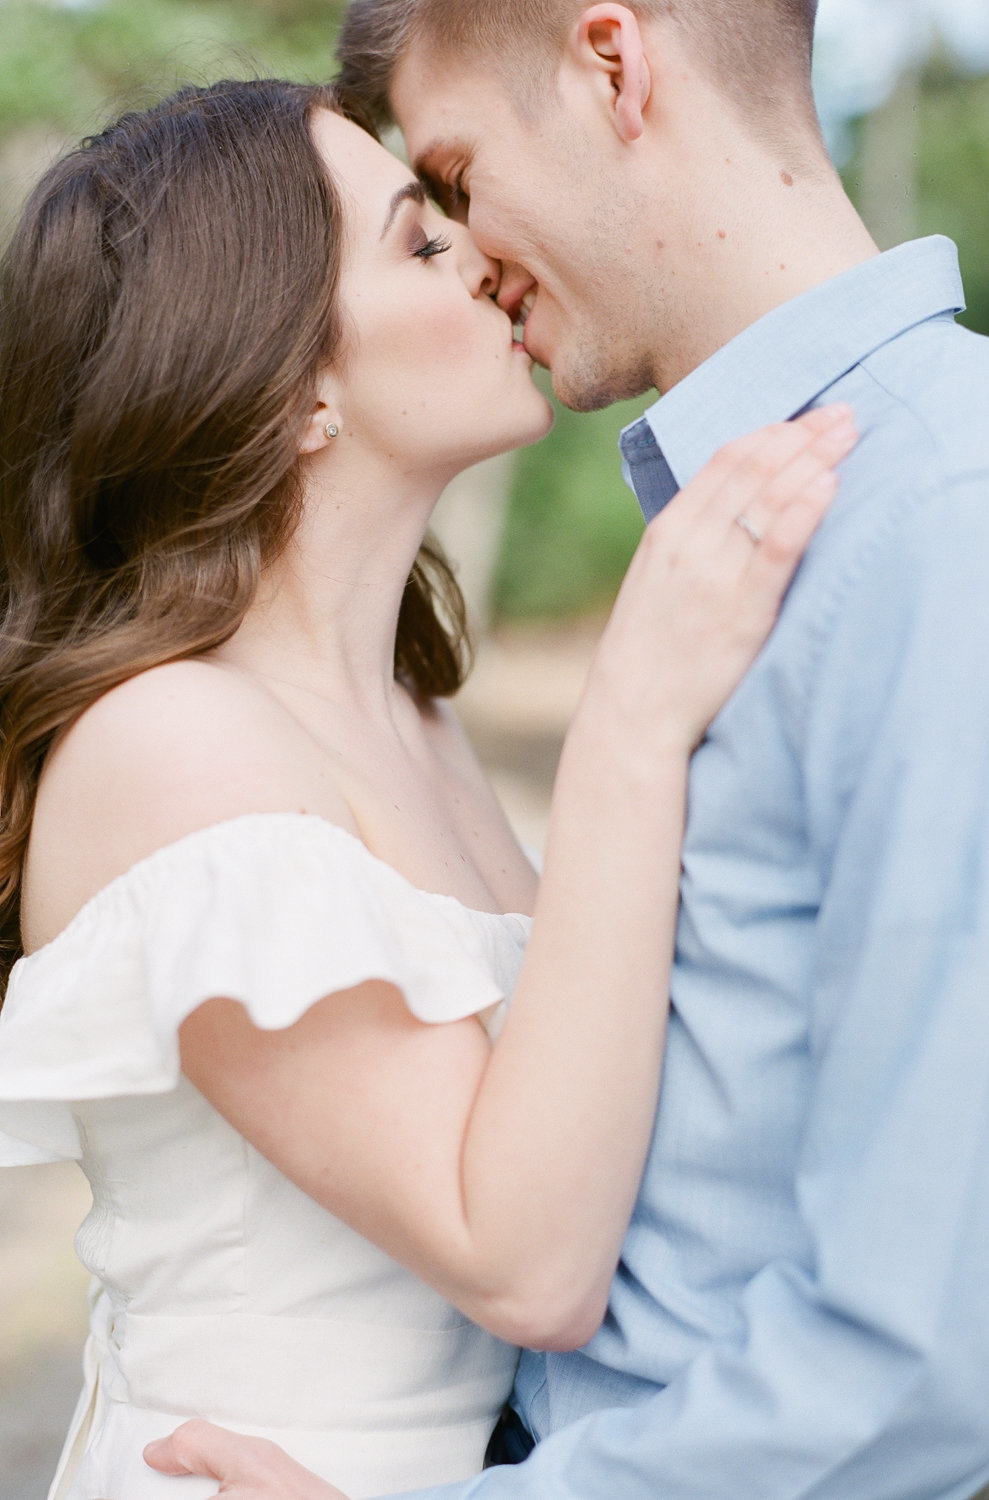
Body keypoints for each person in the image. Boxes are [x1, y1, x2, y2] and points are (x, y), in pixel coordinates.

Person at [137, 2, 989, 1499]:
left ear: (610, 62)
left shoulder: (962, 516)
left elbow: (929, 1356)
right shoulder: (785, 523)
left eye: (455, 176)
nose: (467, 249)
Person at [0, 74, 855, 1500]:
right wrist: (634, 720)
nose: (479, 252)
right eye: (415, 240)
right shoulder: (168, 742)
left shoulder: (417, 718)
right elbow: (523, 1261)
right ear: (290, 384)